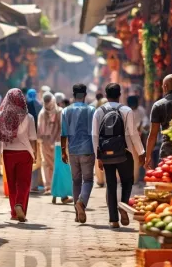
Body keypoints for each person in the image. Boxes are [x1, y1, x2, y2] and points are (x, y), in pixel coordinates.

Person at [93, 83, 146, 228]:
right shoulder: (126, 110)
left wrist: (98, 156)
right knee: (127, 181)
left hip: (106, 153)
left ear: (106, 95)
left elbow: (94, 135)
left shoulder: (99, 111)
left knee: (110, 185)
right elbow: (133, 133)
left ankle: (113, 220)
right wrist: (141, 152)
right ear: (120, 94)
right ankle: (123, 207)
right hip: (125, 152)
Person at [0, 89, 38, 222]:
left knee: (11, 183)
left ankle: (14, 212)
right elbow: (33, 138)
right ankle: (19, 204)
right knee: (24, 183)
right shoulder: (29, 117)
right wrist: (36, 154)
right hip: (25, 152)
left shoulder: (2, 117)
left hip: (8, 153)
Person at [61, 83, 95, 224]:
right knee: (87, 180)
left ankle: (77, 214)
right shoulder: (92, 110)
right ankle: (81, 203)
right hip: (88, 150)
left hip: (73, 151)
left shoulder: (65, 111)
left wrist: (63, 151)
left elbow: (64, 133)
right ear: (85, 95)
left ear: (73, 95)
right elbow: (95, 133)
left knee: (76, 182)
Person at [145, 74, 172, 169]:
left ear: (165, 87)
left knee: (167, 176)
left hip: (168, 151)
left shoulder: (158, 105)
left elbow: (153, 135)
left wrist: (148, 156)